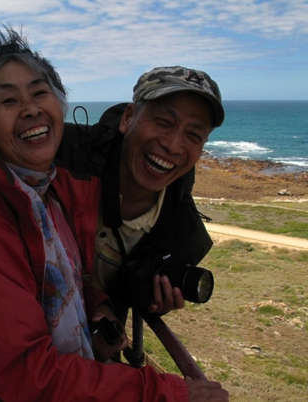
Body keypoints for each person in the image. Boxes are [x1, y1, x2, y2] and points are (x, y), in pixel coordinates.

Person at [0, 28, 227, 401]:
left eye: (40, 93)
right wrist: (170, 394)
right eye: (8, 100)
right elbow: (25, 375)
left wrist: (99, 304)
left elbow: (65, 272)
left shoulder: (38, 189)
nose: (31, 108)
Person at [59, 65, 225, 341]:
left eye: (193, 136)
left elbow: (128, 291)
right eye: (164, 122)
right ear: (128, 118)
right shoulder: (60, 157)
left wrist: (150, 302)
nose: (173, 145)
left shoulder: (183, 237)